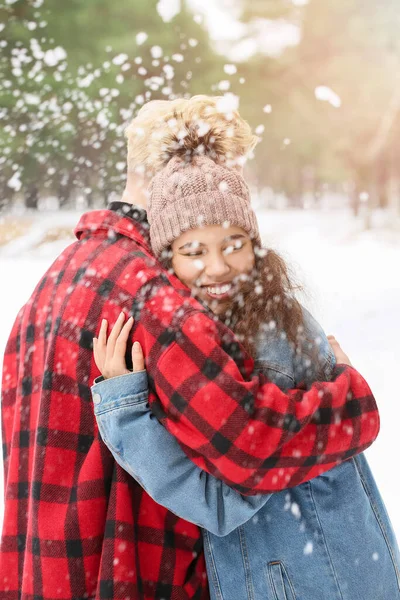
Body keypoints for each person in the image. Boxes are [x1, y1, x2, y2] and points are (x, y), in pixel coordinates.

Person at [0, 96, 380, 600]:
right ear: (183, 171)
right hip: (127, 576)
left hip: (40, 571)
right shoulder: (154, 294)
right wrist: (349, 404)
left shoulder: (59, 277)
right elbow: (249, 446)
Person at [91, 123, 400, 599]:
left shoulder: (262, 339)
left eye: (232, 244)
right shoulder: (232, 324)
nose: (217, 267)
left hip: (310, 580)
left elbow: (221, 503)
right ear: (167, 259)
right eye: (194, 251)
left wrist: (127, 416)